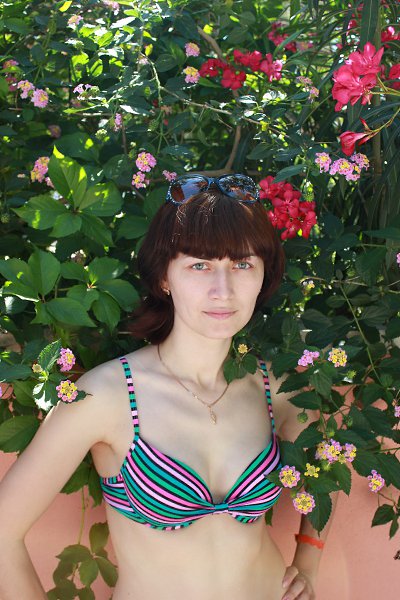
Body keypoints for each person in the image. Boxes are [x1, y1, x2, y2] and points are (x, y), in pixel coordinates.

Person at [0, 174, 331, 600]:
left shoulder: (277, 390)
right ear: (164, 278)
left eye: (243, 264)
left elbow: (329, 464)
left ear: (263, 274)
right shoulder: (107, 396)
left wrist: (309, 561)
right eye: (199, 265)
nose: (223, 290)